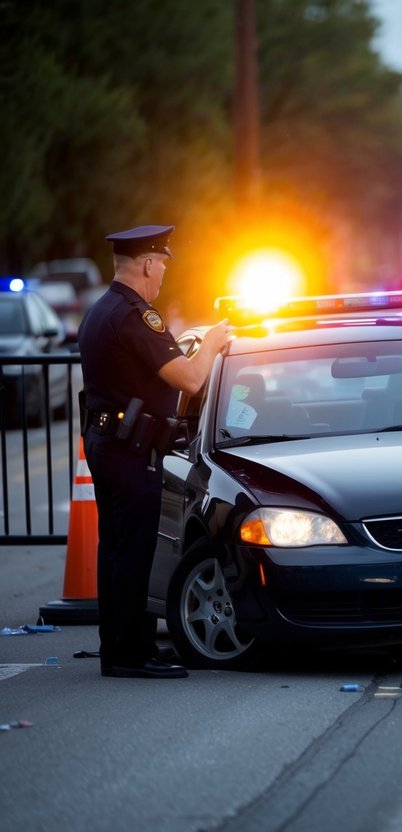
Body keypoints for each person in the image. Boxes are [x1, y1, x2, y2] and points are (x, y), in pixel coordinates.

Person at [78, 225, 233, 678]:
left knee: (117, 551)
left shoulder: (102, 310)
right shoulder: (134, 316)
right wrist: (211, 343)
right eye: (161, 264)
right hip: (128, 452)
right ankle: (128, 655)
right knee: (131, 552)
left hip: (110, 444)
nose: (163, 273)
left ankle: (127, 645)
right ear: (147, 264)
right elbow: (189, 379)